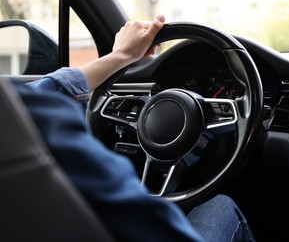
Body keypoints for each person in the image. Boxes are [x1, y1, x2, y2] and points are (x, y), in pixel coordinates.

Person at [11, 14, 256, 241]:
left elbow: (32, 95)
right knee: (219, 206)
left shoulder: (17, 118)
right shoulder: (42, 116)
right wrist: (121, 55)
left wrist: (121, 56)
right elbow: (152, 226)